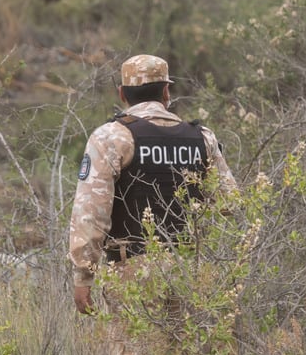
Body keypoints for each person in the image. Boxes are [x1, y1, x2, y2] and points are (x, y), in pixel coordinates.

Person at [69, 54, 238, 317]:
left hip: (132, 271)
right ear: (166, 92)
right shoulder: (202, 138)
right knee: (189, 354)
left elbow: (91, 213)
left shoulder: (112, 137)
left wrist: (84, 275)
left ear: (122, 94)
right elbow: (229, 203)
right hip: (190, 268)